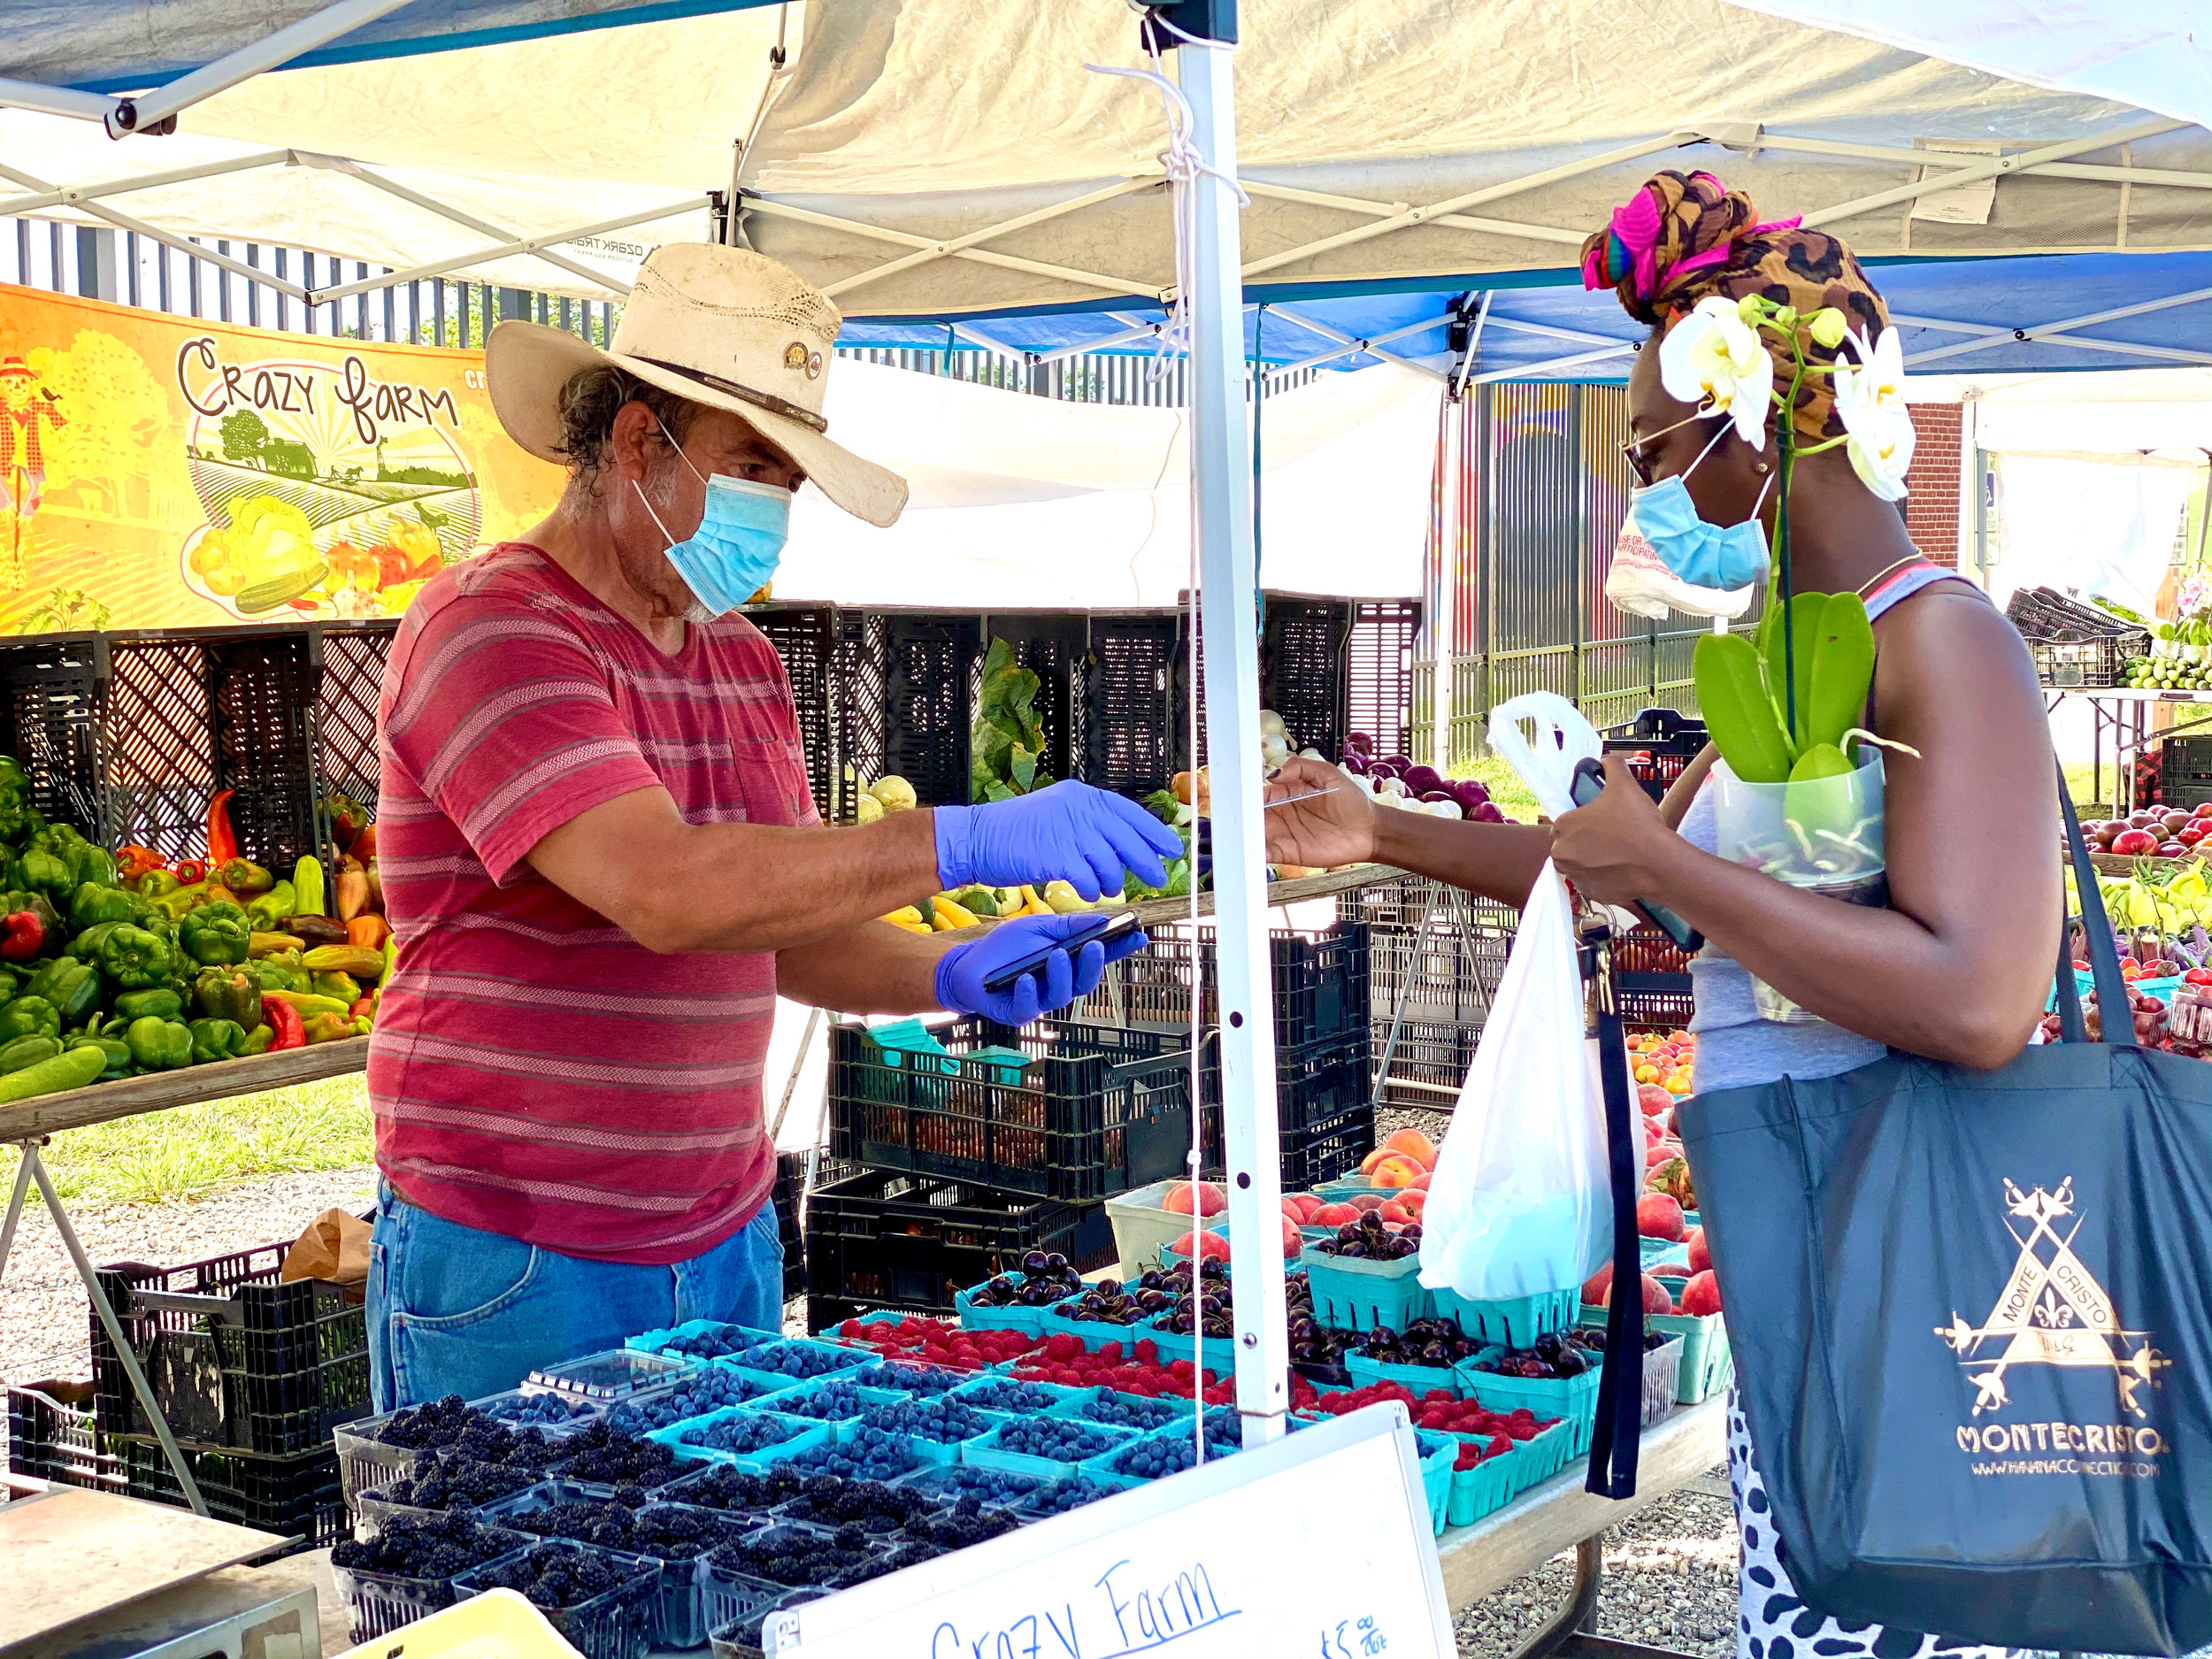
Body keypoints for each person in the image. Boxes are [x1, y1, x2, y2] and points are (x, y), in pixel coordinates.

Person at [1264, 172, 2058, 1659]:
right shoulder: (1797, 650)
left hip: (1928, 1330)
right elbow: (1617, 862)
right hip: (1813, 1304)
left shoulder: (1945, 643)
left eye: (1649, 449)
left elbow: (1981, 1000)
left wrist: (1681, 873)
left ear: (1745, 419)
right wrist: (1380, 828)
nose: (1640, 493)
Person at [366, 244, 1182, 1409]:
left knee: (725, 1580)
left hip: (724, 1236)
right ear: (641, 444)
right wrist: (968, 838)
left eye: (789, 486)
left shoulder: (741, 659)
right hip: (520, 1259)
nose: (777, 513)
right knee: (526, 1586)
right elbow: (670, 892)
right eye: (756, 470)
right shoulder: (493, 630)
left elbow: (777, 928)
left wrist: (950, 968)